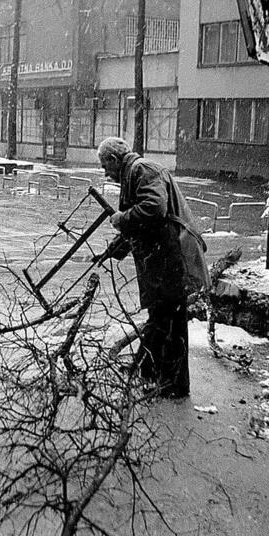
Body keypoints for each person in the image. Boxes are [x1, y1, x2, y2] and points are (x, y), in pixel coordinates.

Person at [95, 136, 191, 399]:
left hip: (167, 260)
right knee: (164, 319)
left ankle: (165, 381)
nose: (106, 173)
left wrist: (120, 219)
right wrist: (114, 249)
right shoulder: (134, 173)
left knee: (167, 320)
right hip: (161, 259)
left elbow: (153, 209)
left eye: (105, 166)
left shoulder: (141, 170)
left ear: (114, 160)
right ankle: (157, 377)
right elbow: (141, 222)